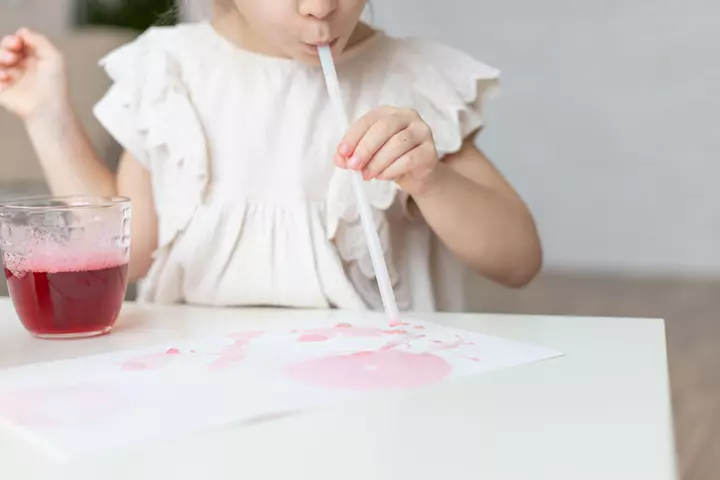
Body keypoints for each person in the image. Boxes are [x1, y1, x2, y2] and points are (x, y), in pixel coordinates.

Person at [0, 0, 541, 312]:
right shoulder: (171, 71)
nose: (320, 7)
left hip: (372, 399)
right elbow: (129, 253)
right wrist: (50, 118)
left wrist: (431, 181)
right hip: (200, 391)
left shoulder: (409, 79)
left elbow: (519, 261)